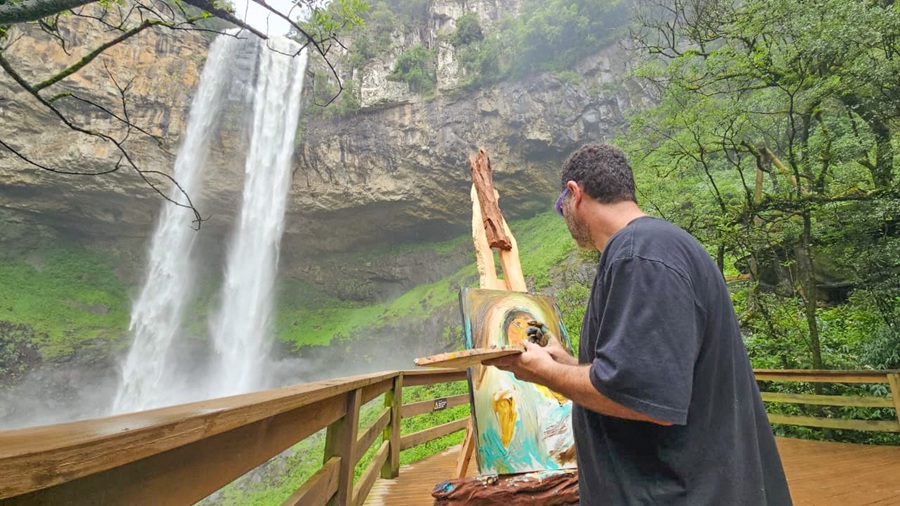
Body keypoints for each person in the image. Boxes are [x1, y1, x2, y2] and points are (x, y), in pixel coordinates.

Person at [488, 143, 792, 505]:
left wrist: (543, 373)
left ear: (574, 194)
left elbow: (643, 398)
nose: (564, 215)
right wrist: (566, 364)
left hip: (681, 492)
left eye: (561, 207)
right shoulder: (655, 247)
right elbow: (643, 374)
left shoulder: (641, 255)